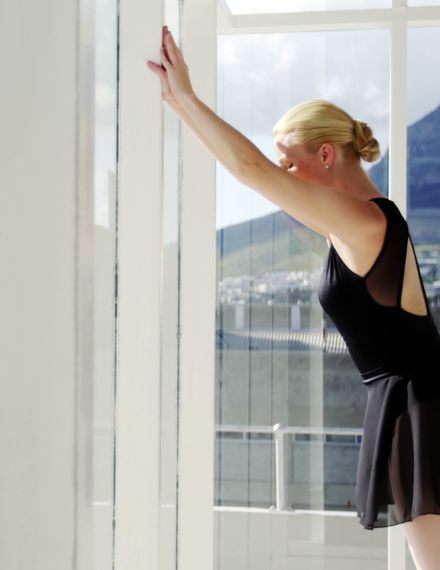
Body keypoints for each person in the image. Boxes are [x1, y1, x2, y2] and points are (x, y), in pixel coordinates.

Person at [147, 25, 440, 568]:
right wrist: (178, 107)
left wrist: (187, 96)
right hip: (412, 404)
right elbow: (249, 173)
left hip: (421, 409)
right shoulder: (353, 225)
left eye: (291, 162)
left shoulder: (366, 222)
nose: (284, 177)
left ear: (326, 155)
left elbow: (251, 170)